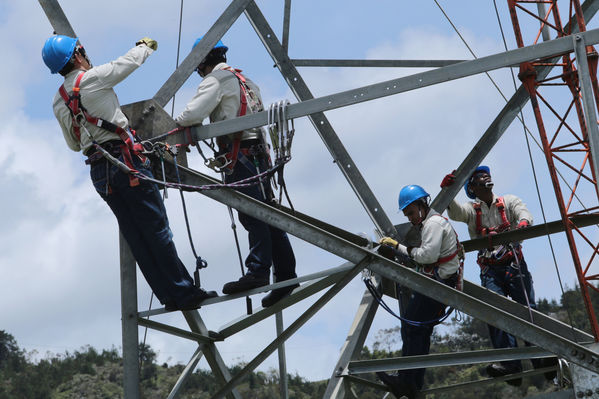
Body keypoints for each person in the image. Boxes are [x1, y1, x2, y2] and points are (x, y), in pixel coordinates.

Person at [43, 35, 217, 312]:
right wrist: (145, 46)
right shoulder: (93, 78)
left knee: (137, 235)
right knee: (156, 229)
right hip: (126, 163)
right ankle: (184, 292)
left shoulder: (58, 101)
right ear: (78, 55)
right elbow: (127, 63)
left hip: (99, 172)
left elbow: (74, 144)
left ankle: (168, 295)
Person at [175, 37, 297, 307]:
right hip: (258, 155)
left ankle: (257, 272)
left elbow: (189, 116)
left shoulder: (215, 81)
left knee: (253, 215)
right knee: (268, 214)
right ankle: (286, 273)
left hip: (238, 156)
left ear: (203, 62)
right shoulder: (246, 81)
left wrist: (180, 126)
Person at [441, 165, 542, 384]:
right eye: (479, 177)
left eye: (486, 175)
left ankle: (542, 356)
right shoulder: (471, 210)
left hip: (514, 265)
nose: (485, 177)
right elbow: (456, 211)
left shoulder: (507, 202)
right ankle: (510, 363)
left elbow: (523, 213)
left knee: (527, 311)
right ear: (473, 188)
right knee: (495, 313)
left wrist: (523, 224)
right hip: (490, 269)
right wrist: (448, 193)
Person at [376, 185, 462, 399]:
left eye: (412, 213)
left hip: (438, 284)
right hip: (440, 282)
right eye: (407, 215)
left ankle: (407, 381)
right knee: (419, 331)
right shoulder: (431, 223)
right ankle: (414, 383)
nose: (411, 218)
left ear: (423, 205)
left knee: (411, 326)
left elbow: (427, 256)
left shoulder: (433, 224)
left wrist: (399, 247)